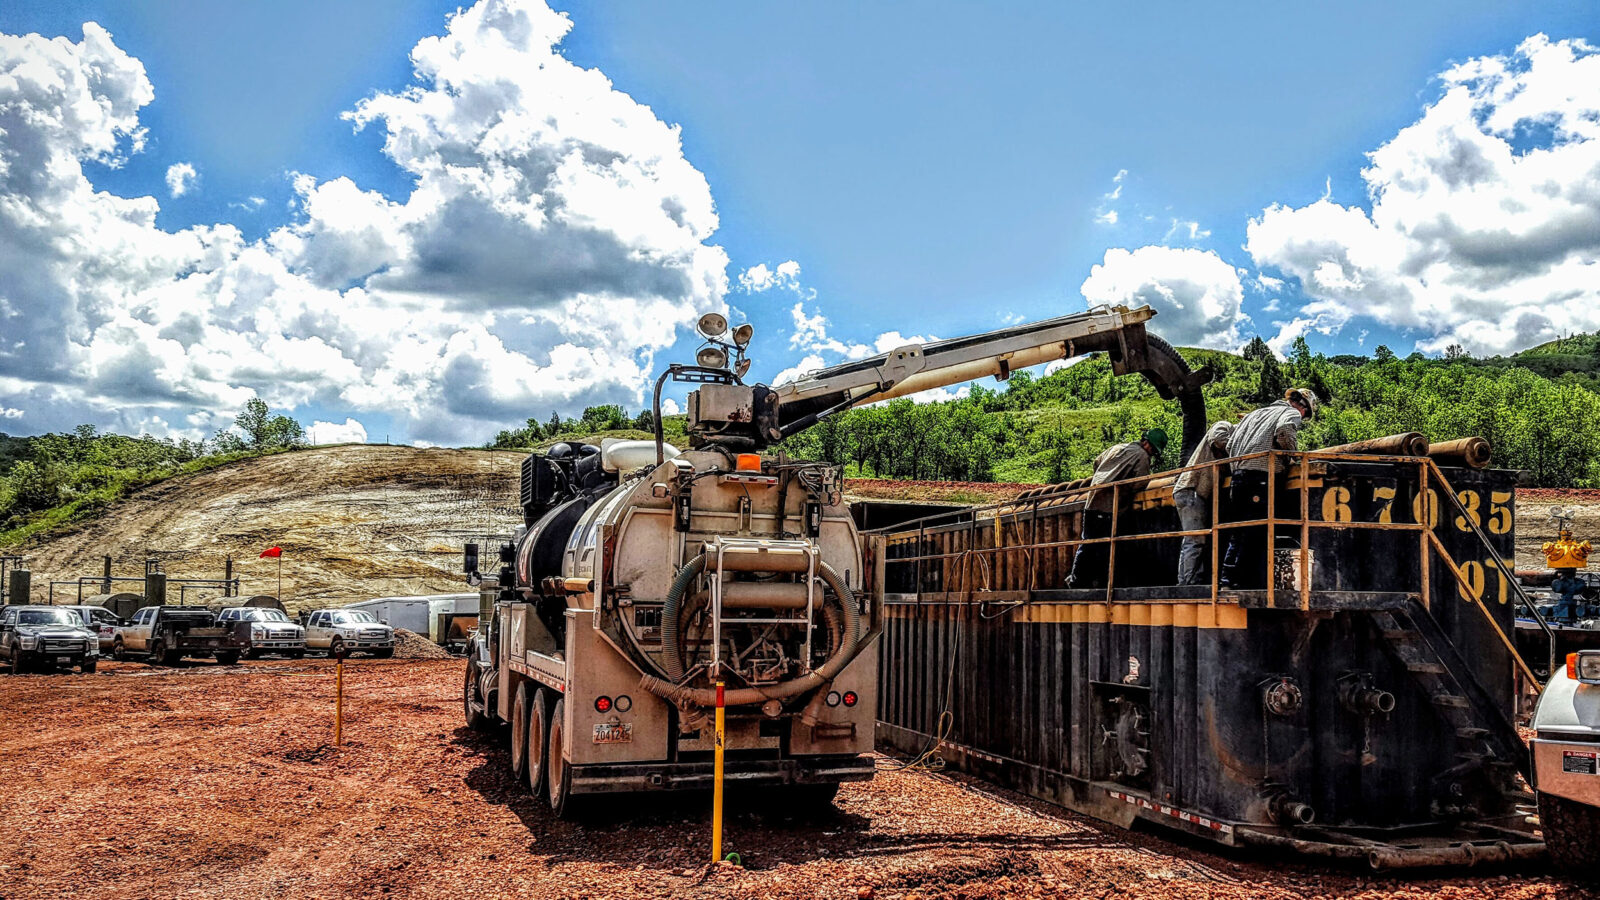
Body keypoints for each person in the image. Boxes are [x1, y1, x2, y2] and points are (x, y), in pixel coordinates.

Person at [1219, 388, 1317, 588]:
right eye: (1305, 415)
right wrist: (1294, 456)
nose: (1303, 417)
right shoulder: (1289, 412)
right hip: (1261, 478)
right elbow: (1284, 431)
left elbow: (1229, 446)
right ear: (1303, 407)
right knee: (1258, 532)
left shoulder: (1254, 414)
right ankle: (1251, 584)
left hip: (1237, 478)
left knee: (1239, 532)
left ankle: (1227, 581)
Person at [1068, 428, 1168, 589]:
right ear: (1148, 444)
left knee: (1087, 542)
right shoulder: (1142, 456)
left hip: (1092, 501)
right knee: (1105, 546)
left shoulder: (1118, 447)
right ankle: (1100, 583)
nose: (1152, 454)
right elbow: (1139, 483)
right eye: (1154, 451)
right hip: (1108, 507)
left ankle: (1076, 580)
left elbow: (1096, 462)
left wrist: (1102, 480)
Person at [1173, 420, 1234, 586]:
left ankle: (1186, 580)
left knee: (1192, 539)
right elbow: (1218, 438)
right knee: (1195, 540)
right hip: (1192, 488)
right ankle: (1189, 583)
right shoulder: (1225, 426)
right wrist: (1238, 448)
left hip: (1194, 490)